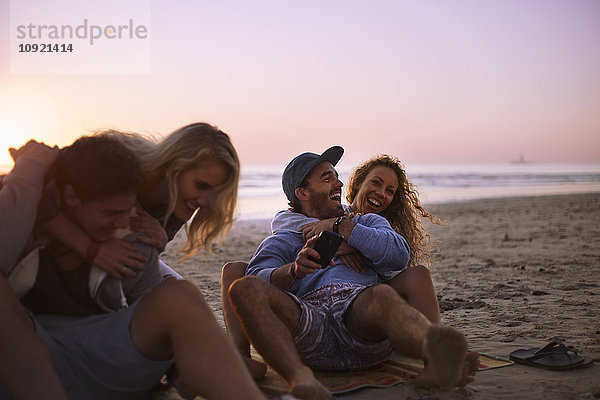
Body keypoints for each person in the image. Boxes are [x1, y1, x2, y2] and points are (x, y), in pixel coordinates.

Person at [0, 136, 265, 400]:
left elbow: (149, 302)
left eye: (130, 209)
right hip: (26, 350)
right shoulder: (47, 195)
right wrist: (30, 170)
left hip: (95, 349)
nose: (127, 220)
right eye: (201, 185)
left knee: (180, 295)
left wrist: (176, 360)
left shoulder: (143, 229)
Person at [227, 146, 478, 400]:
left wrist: (343, 228)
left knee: (380, 295)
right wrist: (293, 270)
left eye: (336, 175)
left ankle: (435, 352)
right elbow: (256, 275)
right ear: (302, 193)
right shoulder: (285, 237)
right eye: (327, 178)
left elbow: (399, 254)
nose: (339, 183)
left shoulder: (366, 222)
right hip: (307, 322)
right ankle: (300, 379)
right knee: (243, 288)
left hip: (360, 321)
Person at [43, 122, 240, 280]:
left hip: (99, 265)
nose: (206, 201)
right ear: (174, 164)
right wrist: (91, 249)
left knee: (180, 292)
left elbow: (140, 254)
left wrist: (160, 243)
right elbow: (37, 197)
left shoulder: (180, 200)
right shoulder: (116, 160)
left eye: (215, 192)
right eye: (201, 185)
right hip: (43, 251)